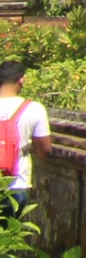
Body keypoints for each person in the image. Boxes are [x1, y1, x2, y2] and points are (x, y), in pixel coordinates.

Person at [0, 62, 46, 207]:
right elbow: (45, 149)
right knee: (12, 228)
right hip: (17, 184)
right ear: (21, 80)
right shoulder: (34, 109)